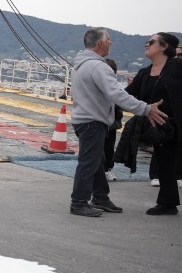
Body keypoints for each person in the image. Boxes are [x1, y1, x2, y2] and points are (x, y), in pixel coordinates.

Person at [69, 28, 166, 217]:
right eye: (109, 39)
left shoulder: (80, 64)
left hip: (83, 119)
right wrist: (146, 109)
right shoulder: (99, 67)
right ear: (100, 43)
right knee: (89, 163)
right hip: (92, 121)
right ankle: (78, 202)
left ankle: (100, 197)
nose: (111, 42)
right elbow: (117, 94)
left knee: (97, 161)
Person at [127, 32, 180, 215]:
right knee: (164, 164)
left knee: (167, 163)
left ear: (164, 47)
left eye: (151, 42)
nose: (147, 44)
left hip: (177, 124)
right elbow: (126, 96)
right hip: (161, 129)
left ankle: (168, 203)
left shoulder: (178, 66)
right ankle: (168, 203)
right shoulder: (144, 73)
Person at [102, 58, 123, 181]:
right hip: (99, 121)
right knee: (102, 146)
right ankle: (101, 169)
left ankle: (107, 169)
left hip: (111, 122)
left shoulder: (117, 86)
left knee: (109, 147)